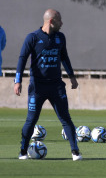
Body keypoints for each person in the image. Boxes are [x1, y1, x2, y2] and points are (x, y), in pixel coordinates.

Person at [14, 9, 82, 161]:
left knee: (65, 118)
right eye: (59, 20)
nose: (62, 23)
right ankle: (23, 151)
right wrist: (17, 81)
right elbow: (22, 59)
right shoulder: (32, 37)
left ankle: (75, 152)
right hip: (37, 87)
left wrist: (72, 77)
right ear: (51, 22)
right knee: (31, 120)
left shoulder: (60, 38)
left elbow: (64, 57)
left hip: (56, 86)